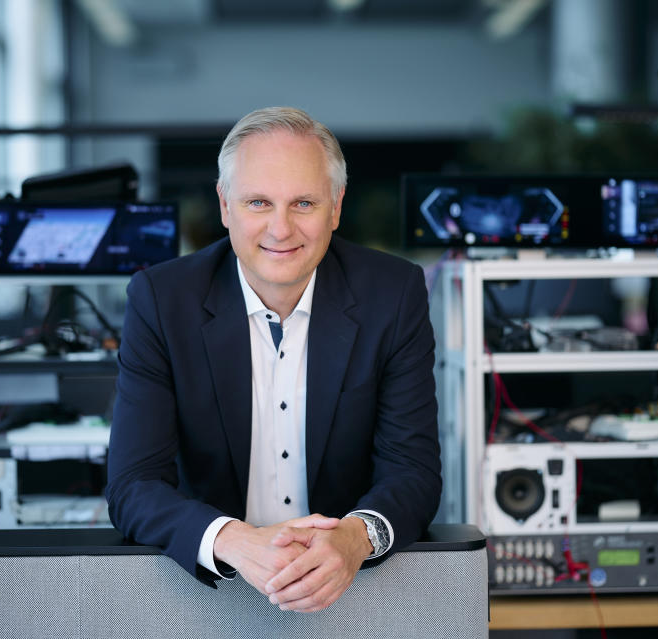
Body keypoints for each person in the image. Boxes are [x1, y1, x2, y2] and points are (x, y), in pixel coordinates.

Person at [106, 106, 441, 613]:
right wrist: (236, 541)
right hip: (204, 592)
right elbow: (133, 485)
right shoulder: (161, 299)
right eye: (258, 202)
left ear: (335, 207)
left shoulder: (392, 294)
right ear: (225, 206)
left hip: (352, 591)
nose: (280, 229)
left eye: (303, 202)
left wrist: (354, 539)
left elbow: (412, 471)